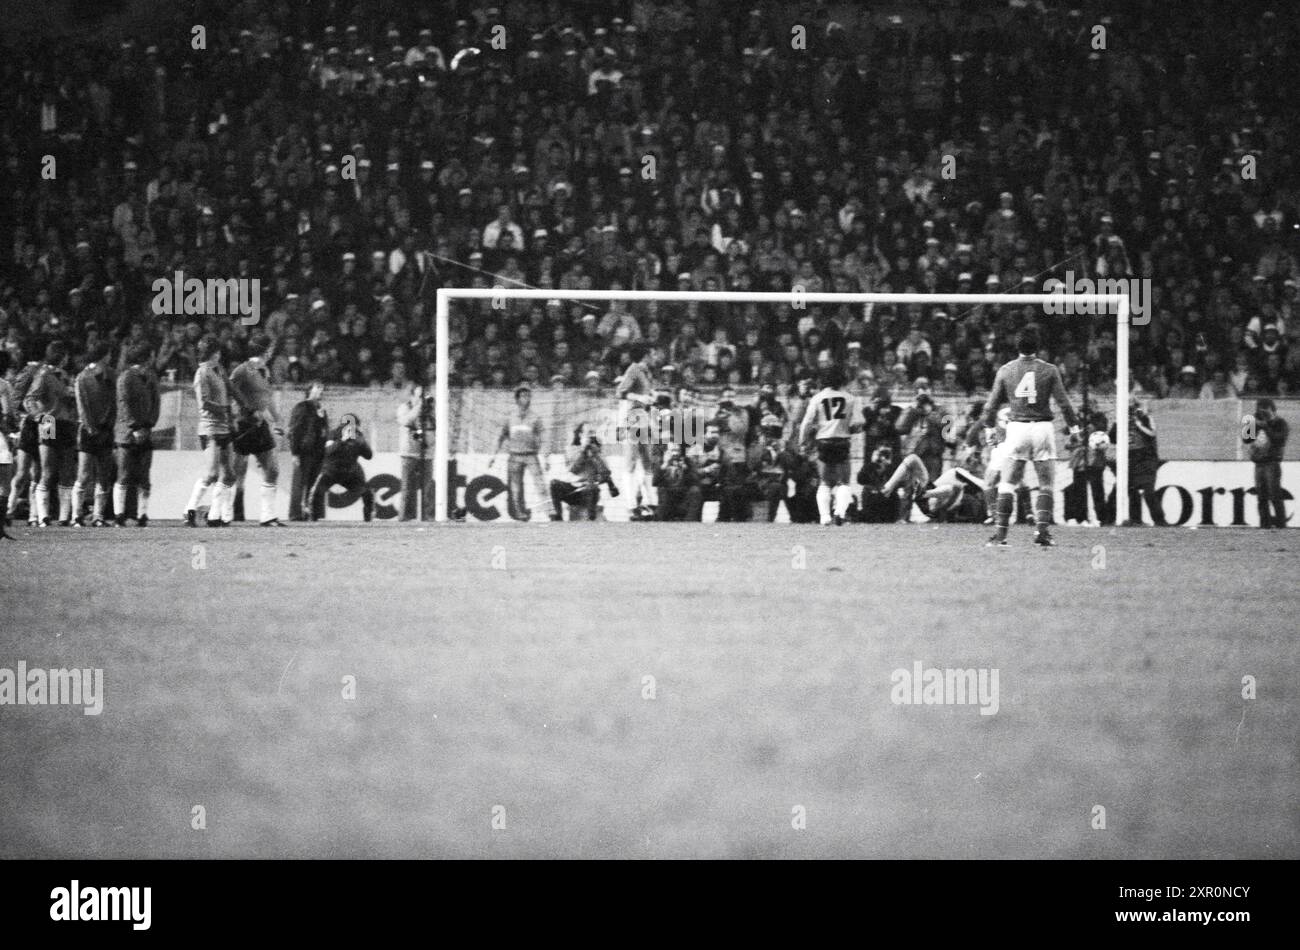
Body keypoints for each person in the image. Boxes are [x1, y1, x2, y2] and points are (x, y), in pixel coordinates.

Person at [982, 325, 1080, 547]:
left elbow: (990, 406)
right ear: (1038, 347)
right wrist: (1074, 430)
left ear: (1017, 346)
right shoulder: (1050, 370)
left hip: (1017, 428)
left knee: (1007, 483)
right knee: (1046, 484)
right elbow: (1064, 403)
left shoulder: (1006, 370)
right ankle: (1042, 533)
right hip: (1043, 428)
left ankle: (1000, 536)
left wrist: (989, 429)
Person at [229, 334, 286, 526]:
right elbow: (229, 393)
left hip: (260, 427)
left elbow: (267, 399)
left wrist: (277, 420)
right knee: (234, 473)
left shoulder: (264, 370)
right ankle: (221, 513)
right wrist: (241, 414)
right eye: (270, 349)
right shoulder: (241, 371)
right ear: (265, 350)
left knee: (273, 469)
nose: (272, 352)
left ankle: (267, 515)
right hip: (243, 426)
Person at [799, 364, 862, 525]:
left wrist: (802, 441)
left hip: (824, 442)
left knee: (825, 481)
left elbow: (806, 423)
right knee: (844, 481)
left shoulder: (818, 398)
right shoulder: (850, 398)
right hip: (842, 442)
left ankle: (824, 517)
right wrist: (849, 427)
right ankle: (840, 513)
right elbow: (858, 423)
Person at [184, 335, 236, 528]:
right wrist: (225, 409)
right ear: (215, 353)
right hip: (210, 428)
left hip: (224, 428)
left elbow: (231, 389)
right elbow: (203, 402)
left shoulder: (219, 370)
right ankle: (190, 508)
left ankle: (214, 515)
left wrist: (244, 406)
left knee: (229, 474)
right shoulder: (202, 373)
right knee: (212, 473)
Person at [25, 341, 77, 527]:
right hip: (50, 422)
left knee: (67, 470)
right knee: (47, 469)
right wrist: (38, 415)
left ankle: (64, 517)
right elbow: (30, 398)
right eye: (65, 355)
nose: (67, 359)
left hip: (67, 423)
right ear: (61, 356)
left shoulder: (64, 375)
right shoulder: (44, 375)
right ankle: (43, 516)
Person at [113, 343, 160, 527]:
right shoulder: (125, 377)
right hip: (127, 434)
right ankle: (119, 515)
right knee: (124, 474)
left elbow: (156, 403)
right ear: (147, 357)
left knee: (144, 476)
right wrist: (134, 427)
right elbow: (124, 405)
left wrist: (149, 425)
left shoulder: (151, 377)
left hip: (145, 431)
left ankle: (142, 514)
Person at [490, 384, 553, 521]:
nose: (527, 398)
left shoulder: (535, 418)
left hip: (531, 455)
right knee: (515, 486)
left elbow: (544, 437)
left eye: (528, 395)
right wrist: (493, 456)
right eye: (523, 396)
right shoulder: (510, 418)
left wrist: (546, 457)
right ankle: (519, 512)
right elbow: (500, 436)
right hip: (514, 455)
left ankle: (549, 512)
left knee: (540, 483)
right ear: (517, 399)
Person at [72, 342, 117, 527]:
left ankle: (96, 516)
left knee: (101, 475)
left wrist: (103, 425)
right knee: (86, 474)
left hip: (98, 429)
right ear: (104, 356)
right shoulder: (83, 377)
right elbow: (83, 405)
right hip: (92, 429)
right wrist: (94, 427)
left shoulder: (109, 375)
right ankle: (77, 515)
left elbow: (112, 402)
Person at [616, 342, 658, 515]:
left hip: (644, 419)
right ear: (645, 355)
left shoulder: (646, 372)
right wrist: (640, 396)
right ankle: (631, 504)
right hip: (633, 419)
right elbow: (620, 392)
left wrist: (651, 396)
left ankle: (650, 501)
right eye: (652, 354)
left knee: (648, 460)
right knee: (631, 462)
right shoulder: (633, 370)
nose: (655, 357)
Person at [310, 413, 374, 521]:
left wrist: (362, 442)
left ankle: (368, 519)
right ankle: (313, 518)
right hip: (331, 471)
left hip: (350, 473)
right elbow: (327, 451)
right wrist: (341, 441)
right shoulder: (333, 434)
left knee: (367, 493)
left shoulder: (358, 437)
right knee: (317, 492)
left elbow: (369, 456)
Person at [549, 422, 619, 520]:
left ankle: (590, 519)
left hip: (589, 490)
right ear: (580, 434)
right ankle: (558, 516)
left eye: (592, 433)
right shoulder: (572, 449)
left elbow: (605, 473)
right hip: (573, 490)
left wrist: (594, 455)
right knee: (554, 483)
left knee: (591, 488)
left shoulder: (597, 451)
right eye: (588, 432)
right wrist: (583, 451)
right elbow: (573, 469)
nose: (591, 435)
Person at [1110, 400, 1160, 525]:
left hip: (1146, 458)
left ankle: (1160, 520)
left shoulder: (1145, 419)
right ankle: (1135, 519)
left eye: (1132, 411)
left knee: (1148, 490)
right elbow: (1112, 438)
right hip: (1130, 458)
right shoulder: (1121, 423)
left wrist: (1139, 425)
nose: (1130, 415)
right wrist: (1118, 423)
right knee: (1130, 489)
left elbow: (1152, 434)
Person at [287, 381, 328, 521]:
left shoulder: (321, 409)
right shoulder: (302, 407)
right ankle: (296, 514)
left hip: (318, 451)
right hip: (304, 451)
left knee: (314, 484)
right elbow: (294, 430)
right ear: (310, 389)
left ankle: (312, 513)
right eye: (318, 388)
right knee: (299, 483)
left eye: (322, 388)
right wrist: (294, 452)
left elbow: (323, 431)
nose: (321, 391)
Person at [396, 383, 436, 521]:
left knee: (428, 488)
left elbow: (437, 427)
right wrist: (419, 407)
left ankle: (429, 517)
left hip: (427, 453)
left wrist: (429, 409)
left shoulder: (431, 410)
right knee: (408, 488)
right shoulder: (404, 407)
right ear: (412, 396)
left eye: (425, 396)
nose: (423, 399)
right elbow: (405, 421)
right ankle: (406, 517)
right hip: (409, 453)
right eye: (420, 396)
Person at [1249, 398, 1289, 529]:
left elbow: (1279, 440)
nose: (1261, 413)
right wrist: (1250, 424)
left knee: (1274, 495)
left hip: (1272, 462)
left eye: (1265, 409)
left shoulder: (1281, 423)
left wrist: (1266, 425)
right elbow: (1246, 439)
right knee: (1261, 497)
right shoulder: (1256, 422)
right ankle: (1264, 525)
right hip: (1259, 463)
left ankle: (1281, 525)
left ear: (1272, 410)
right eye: (1259, 410)